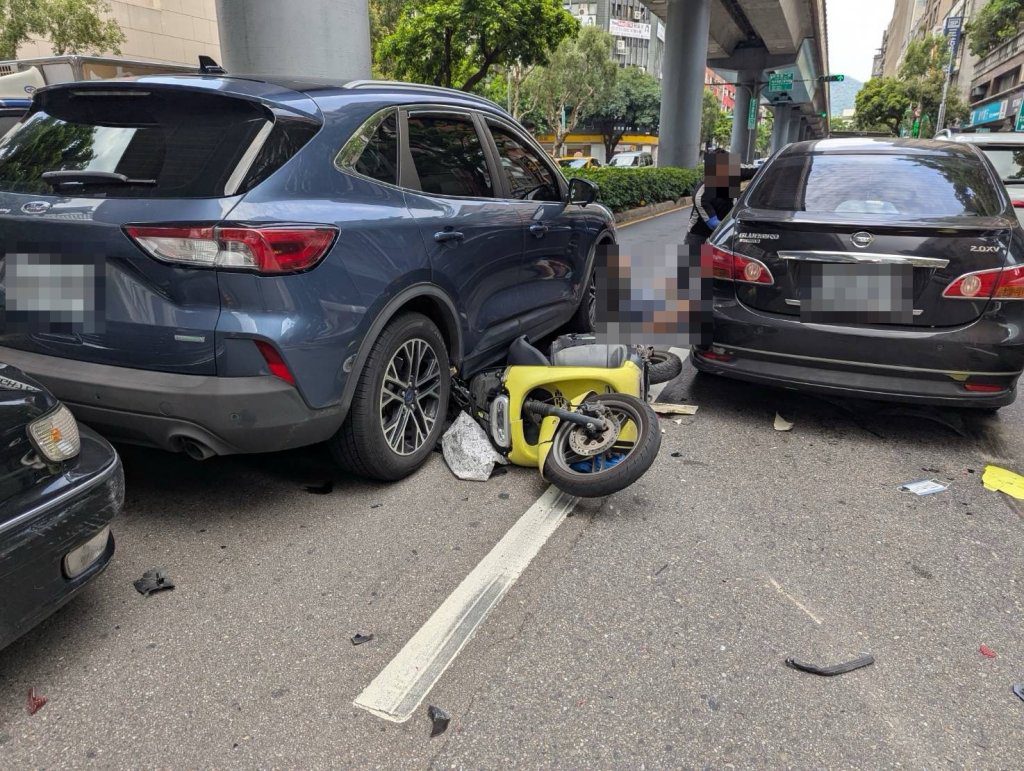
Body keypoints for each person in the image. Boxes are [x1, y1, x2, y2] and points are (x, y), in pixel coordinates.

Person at [685, 149, 741, 253]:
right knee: (694, 269)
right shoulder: (701, 193)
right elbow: (713, 223)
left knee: (714, 269)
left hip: (723, 235)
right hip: (698, 236)